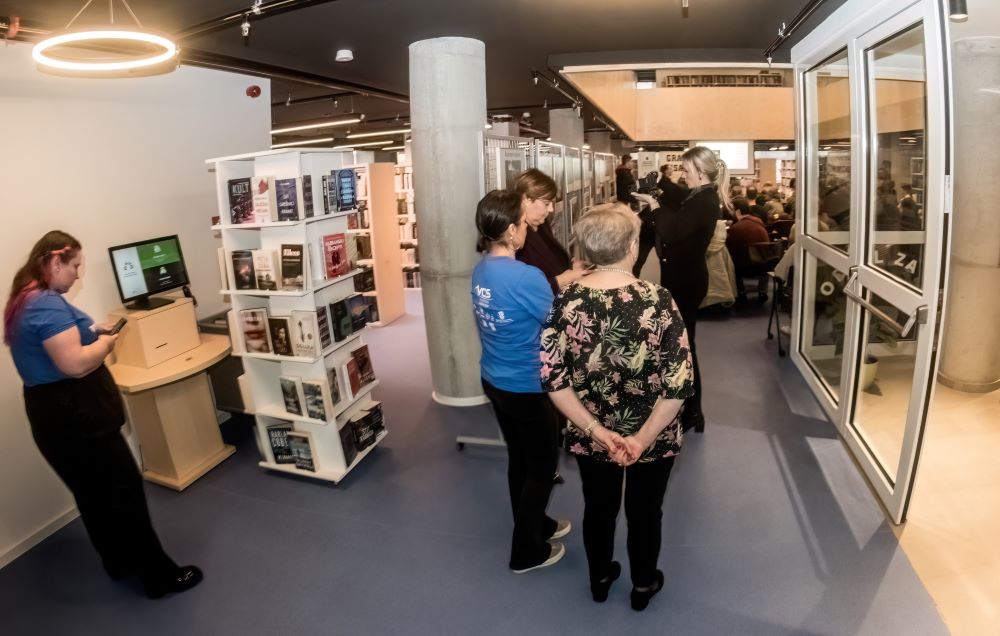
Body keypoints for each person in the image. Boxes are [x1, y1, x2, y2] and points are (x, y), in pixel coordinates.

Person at [4, 231, 202, 599]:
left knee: (93, 496)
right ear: (55, 261)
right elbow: (75, 364)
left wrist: (91, 329)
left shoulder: (26, 297)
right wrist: (106, 343)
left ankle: (119, 563)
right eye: (75, 266)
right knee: (124, 494)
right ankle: (159, 578)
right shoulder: (45, 305)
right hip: (77, 417)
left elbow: (54, 342)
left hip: (52, 416)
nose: (78, 274)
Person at [540, 203, 693, 611]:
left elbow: (554, 379)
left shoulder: (565, 300)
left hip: (592, 432)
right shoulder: (658, 301)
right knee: (646, 511)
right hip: (652, 432)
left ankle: (600, 579)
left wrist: (594, 430)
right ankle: (643, 585)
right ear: (632, 246)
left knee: (598, 507)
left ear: (587, 249)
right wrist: (642, 439)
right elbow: (679, 383)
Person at [471, 191, 569, 574]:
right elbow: (558, 324)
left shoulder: (481, 270)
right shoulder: (527, 277)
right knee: (542, 468)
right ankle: (526, 551)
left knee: (520, 459)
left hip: (494, 379)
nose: (528, 229)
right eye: (524, 224)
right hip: (527, 386)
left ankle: (536, 524)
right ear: (512, 231)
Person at [638, 146, 729, 433]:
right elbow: (680, 198)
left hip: (686, 284)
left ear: (700, 173)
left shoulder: (704, 201)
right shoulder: (700, 195)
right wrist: (661, 182)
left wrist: (653, 205)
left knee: (685, 348)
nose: (683, 175)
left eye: (686, 171)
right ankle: (689, 408)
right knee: (683, 345)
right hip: (684, 280)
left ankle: (693, 412)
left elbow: (671, 230)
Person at [512, 169, 589, 295]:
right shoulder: (517, 237)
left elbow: (550, 260)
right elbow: (525, 290)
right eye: (546, 204)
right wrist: (562, 280)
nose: (551, 209)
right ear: (526, 200)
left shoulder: (541, 224)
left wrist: (570, 267)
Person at [726, 198, 772, 302]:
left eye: (732, 209)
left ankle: (741, 292)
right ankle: (762, 291)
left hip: (744, 266)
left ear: (738, 211)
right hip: (763, 265)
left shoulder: (736, 228)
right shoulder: (759, 223)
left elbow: (731, 249)